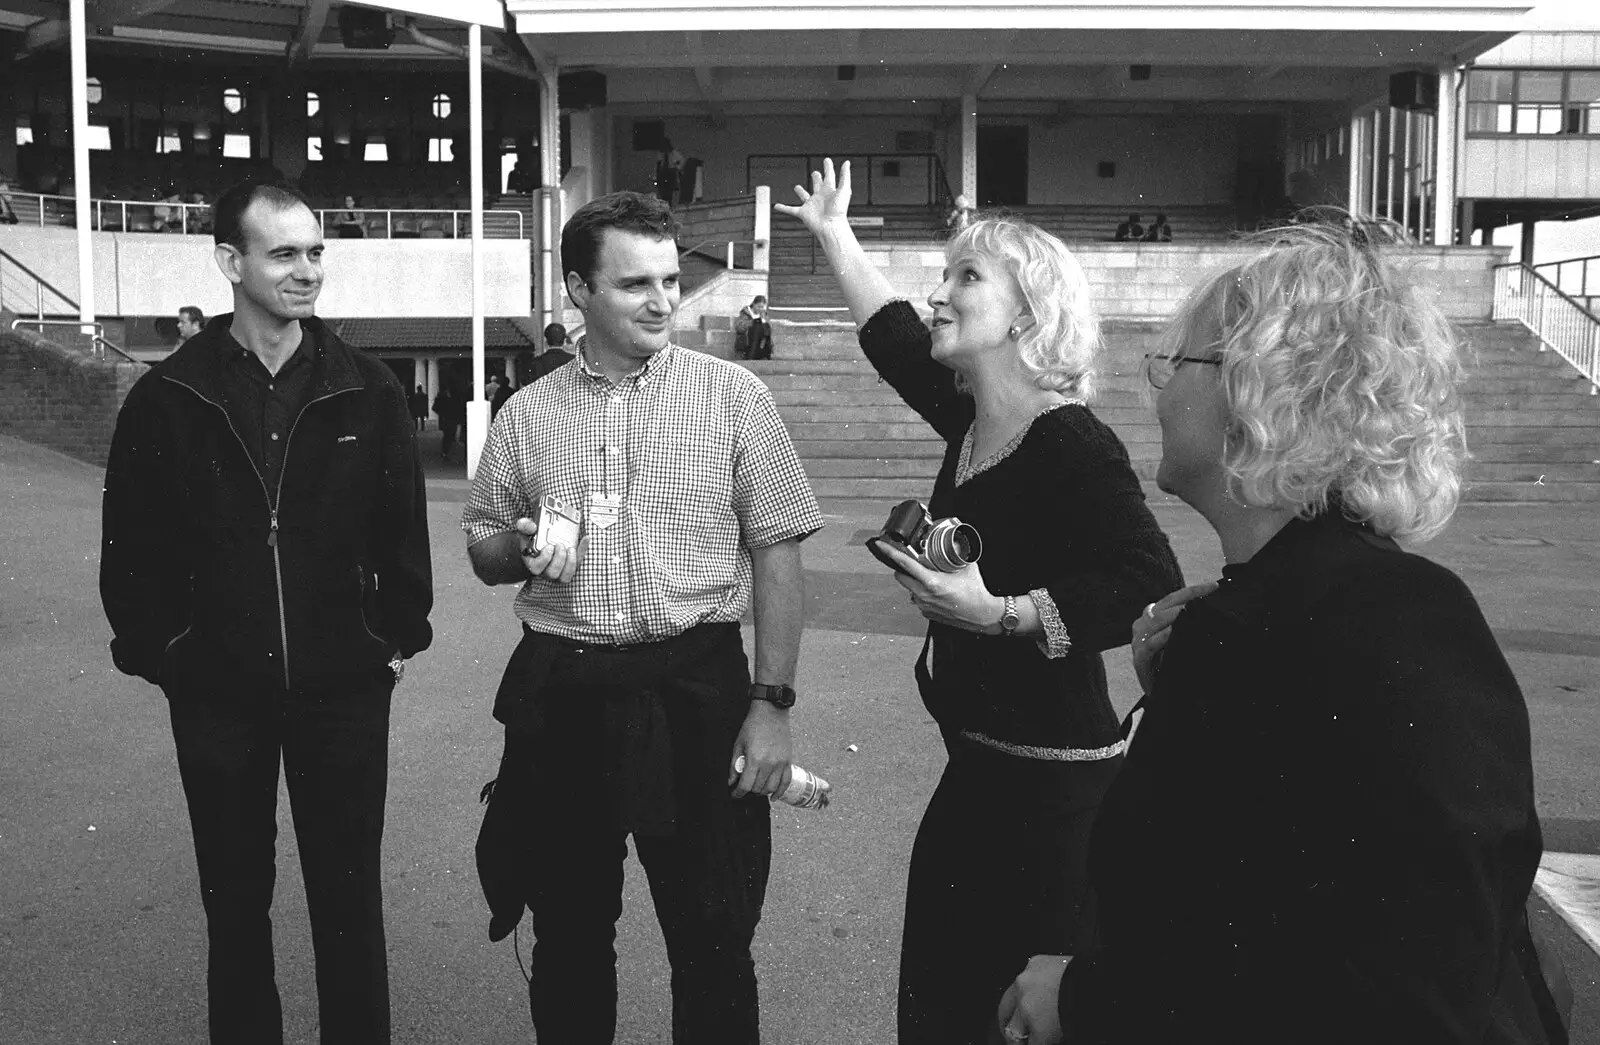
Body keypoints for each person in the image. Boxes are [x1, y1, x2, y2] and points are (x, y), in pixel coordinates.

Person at [996, 218, 1569, 1045]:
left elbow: (1394, 979)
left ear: (1260, 389)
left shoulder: (1375, 622)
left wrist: (1085, 1000)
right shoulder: (1310, 610)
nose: (1157, 387)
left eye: (1178, 362)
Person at [778, 159, 1182, 1045]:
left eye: (968, 276)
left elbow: (1149, 580)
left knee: (1011, 1017)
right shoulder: (972, 420)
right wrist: (835, 234)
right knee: (943, 1001)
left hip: (1054, 797)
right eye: (945, 271)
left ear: (1026, 315)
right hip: (978, 772)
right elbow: (890, 335)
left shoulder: (1070, 438)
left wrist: (1002, 612)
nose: (940, 291)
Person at [462, 190, 824, 1044]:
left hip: (695, 685)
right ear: (579, 290)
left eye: (671, 280)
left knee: (714, 941)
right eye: (635, 285)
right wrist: (519, 546)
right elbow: (482, 545)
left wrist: (771, 705)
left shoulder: (733, 397)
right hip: (565, 688)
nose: (664, 301)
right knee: (570, 938)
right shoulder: (528, 413)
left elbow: (778, 549)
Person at [99, 180, 434, 1045]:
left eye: (316, 251)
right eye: (284, 253)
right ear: (229, 263)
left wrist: (387, 641)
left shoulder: (370, 389)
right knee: (235, 903)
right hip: (217, 695)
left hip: (344, 694)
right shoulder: (168, 396)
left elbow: (403, 544)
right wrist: (171, 656)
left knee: (349, 900)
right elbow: (130, 556)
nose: (307, 270)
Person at [733, 295, 773, 360]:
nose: (760, 309)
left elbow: (769, 329)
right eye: (758, 306)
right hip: (747, 340)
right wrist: (753, 322)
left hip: (761, 341)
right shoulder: (745, 313)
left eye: (762, 307)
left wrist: (763, 320)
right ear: (754, 304)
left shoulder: (763, 314)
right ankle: (751, 355)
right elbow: (739, 328)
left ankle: (766, 354)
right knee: (756, 327)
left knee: (766, 327)